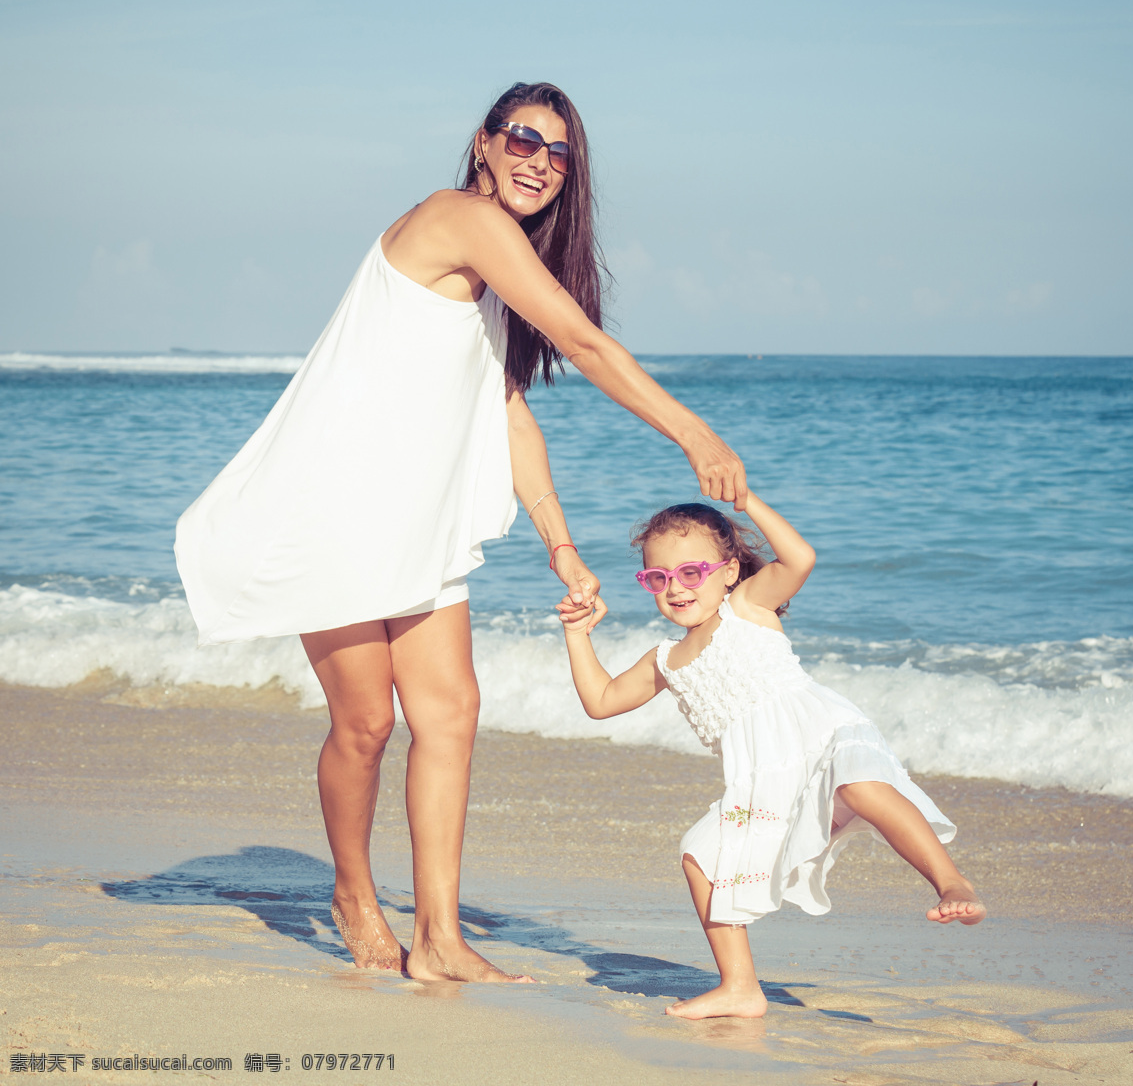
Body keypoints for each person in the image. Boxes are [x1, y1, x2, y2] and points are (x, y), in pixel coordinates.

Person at [175, 82, 746, 983]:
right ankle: (355, 896)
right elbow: (586, 344)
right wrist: (693, 433)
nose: (538, 161)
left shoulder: (495, 274)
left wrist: (558, 540)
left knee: (450, 714)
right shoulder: (458, 218)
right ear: (483, 144)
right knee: (364, 723)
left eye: (558, 154)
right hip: (338, 505)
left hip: (418, 516)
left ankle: (438, 936)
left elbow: (508, 408)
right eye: (523, 139)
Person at [558, 493, 984, 1018]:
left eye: (692, 572)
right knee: (701, 856)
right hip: (759, 781)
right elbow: (601, 702)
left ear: (730, 570)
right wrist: (577, 634)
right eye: (659, 578)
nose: (676, 588)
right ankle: (740, 987)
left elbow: (800, 558)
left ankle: (950, 881)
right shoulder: (665, 659)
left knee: (860, 786)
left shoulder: (748, 608)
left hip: (820, 735)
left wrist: (747, 500)